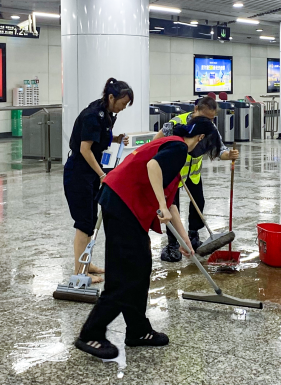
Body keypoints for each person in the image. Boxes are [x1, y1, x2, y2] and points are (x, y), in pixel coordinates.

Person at [75, 117, 222, 359]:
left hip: (122, 205)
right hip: (123, 206)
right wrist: (162, 205)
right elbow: (152, 167)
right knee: (127, 274)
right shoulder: (179, 147)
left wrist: (185, 242)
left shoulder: (172, 148)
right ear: (201, 139)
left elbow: (172, 205)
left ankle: (137, 330)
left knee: (140, 269)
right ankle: (91, 333)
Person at [152, 97, 239, 262]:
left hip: (192, 174)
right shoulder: (177, 122)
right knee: (172, 208)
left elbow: (220, 149)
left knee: (199, 202)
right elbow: (156, 143)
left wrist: (230, 155)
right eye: (204, 116)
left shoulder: (209, 127)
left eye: (211, 118)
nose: (208, 121)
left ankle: (193, 235)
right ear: (196, 109)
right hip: (173, 174)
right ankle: (172, 244)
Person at [63, 78, 133, 284]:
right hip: (78, 173)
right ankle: (80, 272)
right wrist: (102, 175)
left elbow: (97, 139)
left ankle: (87, 263)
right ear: (111, 97)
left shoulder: (106, 113)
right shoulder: (93, 115)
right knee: (84, 223)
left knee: (91, 220)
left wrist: (116, 139)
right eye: (122, 103)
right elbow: (85, 149)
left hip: (90, 173)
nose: (123, 108)